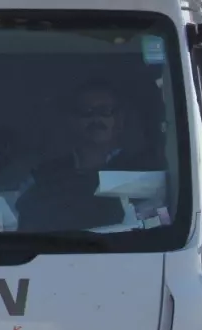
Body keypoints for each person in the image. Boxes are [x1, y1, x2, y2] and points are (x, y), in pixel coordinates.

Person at [16, 80, 160, 232]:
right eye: (86, 111)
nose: (96, 119)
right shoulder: (45, 176)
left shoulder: (142, 170)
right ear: (71, 121)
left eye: (105, 110)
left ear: (119, 120)